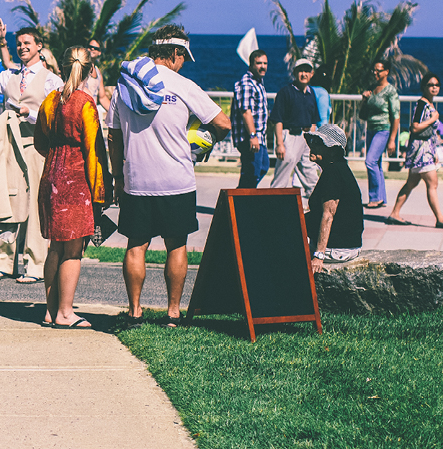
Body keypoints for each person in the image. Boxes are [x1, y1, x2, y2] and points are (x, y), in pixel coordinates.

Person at [108, 25, 231, 328]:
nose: (183, 62)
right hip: (177, 179)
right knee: (176, 245)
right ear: (176, 53)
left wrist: (119, 178)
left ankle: (135, 311)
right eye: (183, 57)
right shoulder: (183, 85)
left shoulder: (124, 86)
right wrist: (202, 140)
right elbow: (224, 124)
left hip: (137, 178)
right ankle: (173, 313)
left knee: (136, 245)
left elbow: (113, 137)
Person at [0, 24, 63, 284]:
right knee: (8, 200)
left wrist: (29, 114)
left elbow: (57, 118)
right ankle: (6, 262)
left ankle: (35, 265)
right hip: (9, 148)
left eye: (27, 43)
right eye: (19, 43)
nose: (22, 47)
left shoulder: (52, 80)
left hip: (36, 148)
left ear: (39, 46)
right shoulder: (9, 76)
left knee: (34, 206)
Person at [35, 46, 109, 328]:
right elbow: (93, 151)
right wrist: (100, 191)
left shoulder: (50, 101)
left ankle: (50, 310)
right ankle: (65, 312)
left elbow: (40, 142)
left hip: (51, 175)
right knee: (73, 250)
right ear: (90, 70)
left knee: (56, 246)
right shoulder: (85, 103)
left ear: (63, 68)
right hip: (76, 179)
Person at [386, 73, 443, 229]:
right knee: (432, 183)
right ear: (424, 87)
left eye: (436, 85)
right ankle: (440, 218)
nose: (434, 87)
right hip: (420, 150)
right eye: (431, 85)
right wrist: (433, 119)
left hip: (424, 149)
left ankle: (394, 213)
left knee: (411, 183)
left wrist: (433, 152)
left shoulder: (428, 105)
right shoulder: (422, 105)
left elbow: (429, 133)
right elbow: (415, 127)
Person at [305, 124, 364, 273]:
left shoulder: (333, 172)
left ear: (332, 151)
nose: (312, 146)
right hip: (344, 246)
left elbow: (328, 215)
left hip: (338, 249)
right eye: (312, 141)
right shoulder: (338, 168)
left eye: (318, 143)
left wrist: (318, 256)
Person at [270, 59, 320, 199]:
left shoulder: (311, 93)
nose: (304, 74)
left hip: (306, 138)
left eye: (307, 71)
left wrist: (313, 144)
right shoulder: (286, 92)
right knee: (283, 175)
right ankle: (273, 203)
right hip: (290, 136)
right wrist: (280, 144)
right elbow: (278, 119)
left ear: (311, 74)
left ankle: (317, 203)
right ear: (294, 73)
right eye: (300, 71)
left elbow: (314, 121)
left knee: (310, 174)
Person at [359, 59, 400, 209]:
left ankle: (375, 197)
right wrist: (364, 99)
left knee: (370, 161)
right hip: (371, 129)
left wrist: (392, 140)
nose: (375, 73)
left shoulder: (390, 91)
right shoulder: (371, 88)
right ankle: (381, 198)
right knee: (377, 164)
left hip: (383, 130)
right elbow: (362, 114)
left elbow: (396, 116)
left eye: (379, 70)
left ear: (386, 72)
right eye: (374, 70)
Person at [231, 49, 269, 188]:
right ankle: (240, 201)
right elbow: (246, 112)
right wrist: (252, 135)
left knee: (263, 166)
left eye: (265, 63)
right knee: (252, 171)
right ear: (251, 65)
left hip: (259, 136)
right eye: (259, 63)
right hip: (249, 137)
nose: (262, 66)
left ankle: (240, 197)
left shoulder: (258, 82)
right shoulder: (247, 83)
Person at [85, 39, 111, 112]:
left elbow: (102, 98)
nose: (92, 49)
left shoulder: (98, 72)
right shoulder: (80, 67)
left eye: (96, 48)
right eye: (90, 47)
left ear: (99, 52)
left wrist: (117, 114)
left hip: (91, 114)